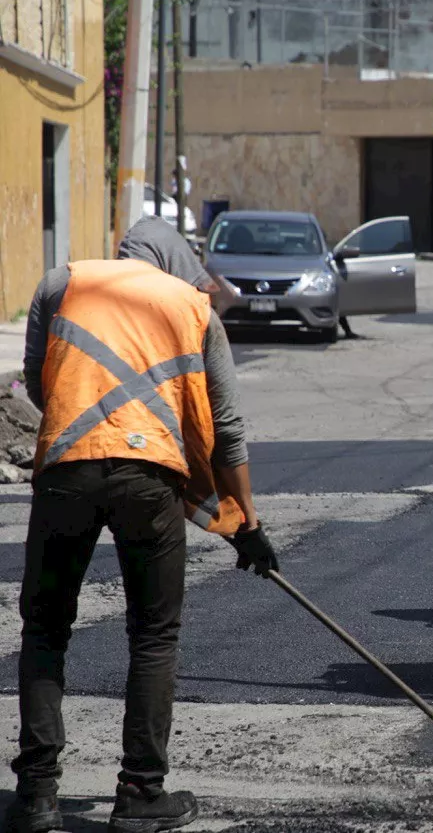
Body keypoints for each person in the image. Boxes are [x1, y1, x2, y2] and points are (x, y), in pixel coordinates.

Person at [5, 216, 280, 833]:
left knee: (46, 628)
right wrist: (247, 525)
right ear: (177, 260)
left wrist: (88, 430)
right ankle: (139, 793)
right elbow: (226, 431)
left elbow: (38, 377)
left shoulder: (61, 282)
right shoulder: (194, 307)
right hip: (149, 479)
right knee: (153, 636)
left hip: (65, 471)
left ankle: (36, 796)